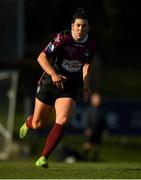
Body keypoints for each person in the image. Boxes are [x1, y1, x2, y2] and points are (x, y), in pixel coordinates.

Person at [19, 7, 96, 168]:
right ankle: (29, 122)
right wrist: (54, 74)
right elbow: (41, 57)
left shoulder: (90, 45)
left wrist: (86, 86)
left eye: (84, 26)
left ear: (88, 27)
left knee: (63, 119)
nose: (81, 29)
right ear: (72, 25)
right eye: (78, 25)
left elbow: (87, 66)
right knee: (39, 124)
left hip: (71, 85)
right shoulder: (63, 38)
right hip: (50, 81)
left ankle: (43, 157)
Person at [82, 92, 106, 161]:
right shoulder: (89, 109)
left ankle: (95, 158)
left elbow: (104, 121)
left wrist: (104, 130)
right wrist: (87, 128)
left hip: (99, 130)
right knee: (88, 143)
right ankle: (84, 157)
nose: (98, 100)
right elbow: (85, 119)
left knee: (97, 145)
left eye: (99, 99)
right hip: (91, 130)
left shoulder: (102, 110)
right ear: (92, 100)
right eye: (96, 99)